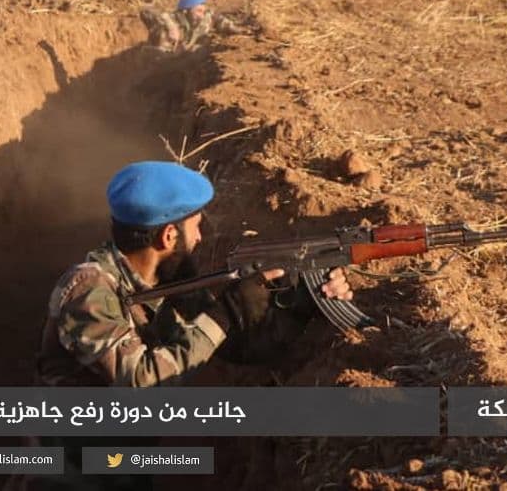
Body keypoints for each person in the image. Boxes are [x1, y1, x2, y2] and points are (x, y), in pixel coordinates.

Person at [21, 162, 351, 490]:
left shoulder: (167, 279)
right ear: (168, 236)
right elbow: (140, 381)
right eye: (196, 227)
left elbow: (237, 348)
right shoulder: (89, 290)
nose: (199, 238)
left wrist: (301, 304)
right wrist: (224, 313)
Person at [139, 0, 241, 53]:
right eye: (198, 11)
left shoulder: (204, 18)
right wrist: (170, 26)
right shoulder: (171, 21)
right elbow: (146, 11)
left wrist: (237, 29)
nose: (202, 16)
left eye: (203, 11)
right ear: (185, 11)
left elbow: (218, 19)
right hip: (158, 62)